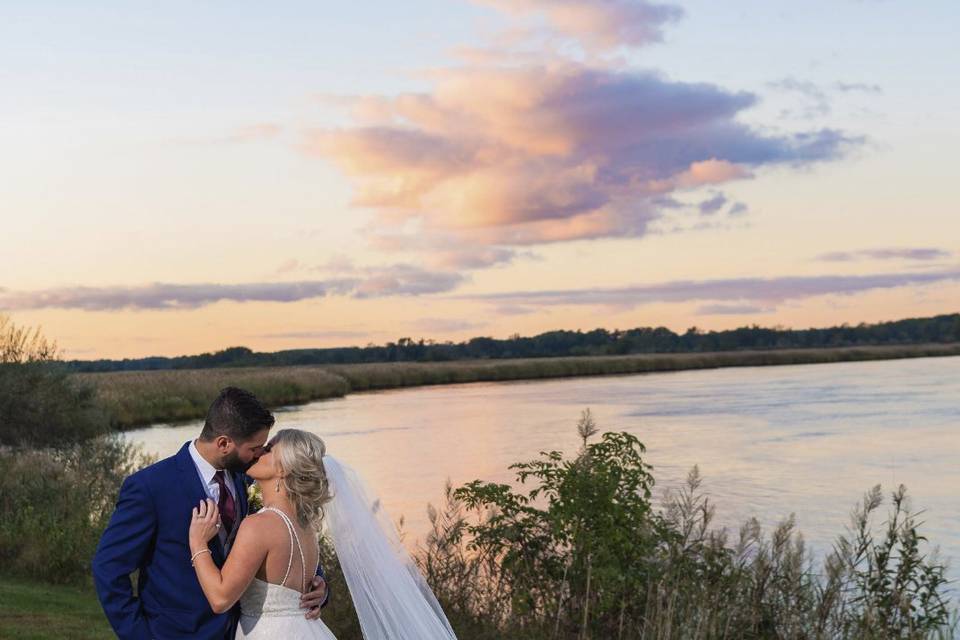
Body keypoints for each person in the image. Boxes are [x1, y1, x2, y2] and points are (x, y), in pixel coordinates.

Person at [92, 387, 329, 639]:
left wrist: (316, 586)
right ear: (224, 443)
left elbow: (284, 536)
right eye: (255, 448)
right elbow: (108, 568)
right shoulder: (151, 487)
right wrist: (140, 635)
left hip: (244, 631)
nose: (258, 455)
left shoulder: (248, 479)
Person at [189, 428, 459, 640]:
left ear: (283, 469)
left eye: (269, 449)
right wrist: (323, 587)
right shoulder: (306, 526)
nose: (259, 452)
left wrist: (198, 543)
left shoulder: (260, 526)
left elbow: (221, 598)